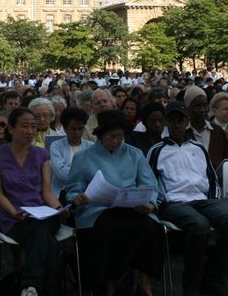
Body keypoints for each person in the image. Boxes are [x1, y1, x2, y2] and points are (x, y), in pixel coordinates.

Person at [147, 101, 228, 296]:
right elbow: (149, 183)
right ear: (166, 123)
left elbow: (211, 178)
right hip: (174, 202)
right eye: (172, 121)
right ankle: (190, 284)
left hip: (202, 199)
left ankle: (212, 278)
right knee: (199, 226)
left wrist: (214, 199)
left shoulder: (198, 148)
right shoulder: (157, 150)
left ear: (187, 122)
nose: (176, 125)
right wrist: (160, 204)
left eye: (181, 120)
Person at [66, 109, 162, 295]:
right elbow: (73, 188)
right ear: (101, 135)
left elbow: (149, 183)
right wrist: (78, 197)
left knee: (151, 228)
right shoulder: (83, 157)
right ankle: (108, 284)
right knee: (108, 232)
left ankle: (145, 282)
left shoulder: (134, 154)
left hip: (132, 207)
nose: (116, 141)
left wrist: (149, 203)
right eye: (111, 136)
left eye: (120, 136)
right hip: (97, 210)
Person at [0, 107, 64, 296]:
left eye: (33, 126)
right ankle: (44, 288)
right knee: (45, 239)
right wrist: (14, 212)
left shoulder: (42, 155)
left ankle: (30, 286)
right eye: (24, 126)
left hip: (42, 212)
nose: (30, 131)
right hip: (12, 216)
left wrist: (59, 207)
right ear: (11, 129)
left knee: (39, 228)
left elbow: (46, 191)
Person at [50, 107, 94, 199]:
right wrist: (84, 172)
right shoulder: (56, 146)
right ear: (65, 129)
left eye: (80, 128)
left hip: (86, 192)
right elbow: (61, 174)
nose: (77, 133)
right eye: (73, 129)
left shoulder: (91, 146)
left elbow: (94, 173)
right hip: (62, 192)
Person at [184, 86, 228, 170]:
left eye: (205, 105)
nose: (202, 110)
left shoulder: (217, 131)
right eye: (197, 106)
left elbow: (227, 159)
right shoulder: (183, 132)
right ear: (188, 107)